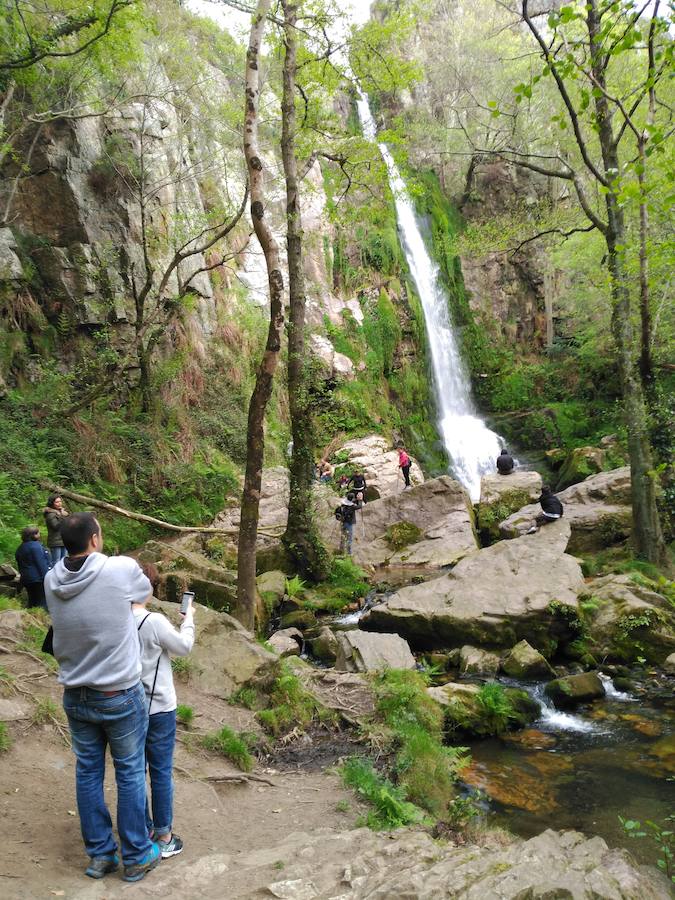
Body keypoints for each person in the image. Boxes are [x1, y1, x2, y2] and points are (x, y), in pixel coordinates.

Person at [44, 512, 160, 883]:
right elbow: (146, 592)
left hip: (76, 695)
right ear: (95, 539)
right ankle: (138, 855)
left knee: (88, 773)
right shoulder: (119, 568)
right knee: (128, 773)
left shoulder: (50, 579)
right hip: (119, 693)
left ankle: (100, 856)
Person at [132, 567, 195, 860]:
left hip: (127, 707)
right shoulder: (154, 621)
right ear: (149, 589)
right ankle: (164, 836)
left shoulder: (115, 620)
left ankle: (140, 830)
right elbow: (184, 647)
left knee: (132, 772)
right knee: (160, 772)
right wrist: (189, 619)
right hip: (158, 708)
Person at [15, 525, 51, 610]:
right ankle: (42, 620)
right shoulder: (36, 546)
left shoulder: (20, 548)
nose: (40, 535)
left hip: (26, 579)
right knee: (42, 602)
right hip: (38, 579)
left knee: (32, 600)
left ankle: (30, 619)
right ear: (34, 535)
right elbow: (41, 564)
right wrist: (48, 578)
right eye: (38, 533)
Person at [43, 494, 69, 564]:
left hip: (64, 540)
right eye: (57, 502)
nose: (59, 503)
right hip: (55, 541)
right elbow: (56, 527)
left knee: (64, 561)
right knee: (56, 562)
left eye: (60, 501)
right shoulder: (50, 514)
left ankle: (64, 575)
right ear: (52, 503)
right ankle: (54, 575)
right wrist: (63, 517)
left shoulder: (62, 512)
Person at [336, 491, 362, 557]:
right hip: (349, 523)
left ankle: (341, 551)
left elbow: (351, 501)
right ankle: (349, 553)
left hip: (343, 522)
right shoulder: (352, 507)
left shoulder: (343, 504)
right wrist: (360, 500)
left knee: (343, 537)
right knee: (349, 538)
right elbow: (359, 506)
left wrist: (357, 499)